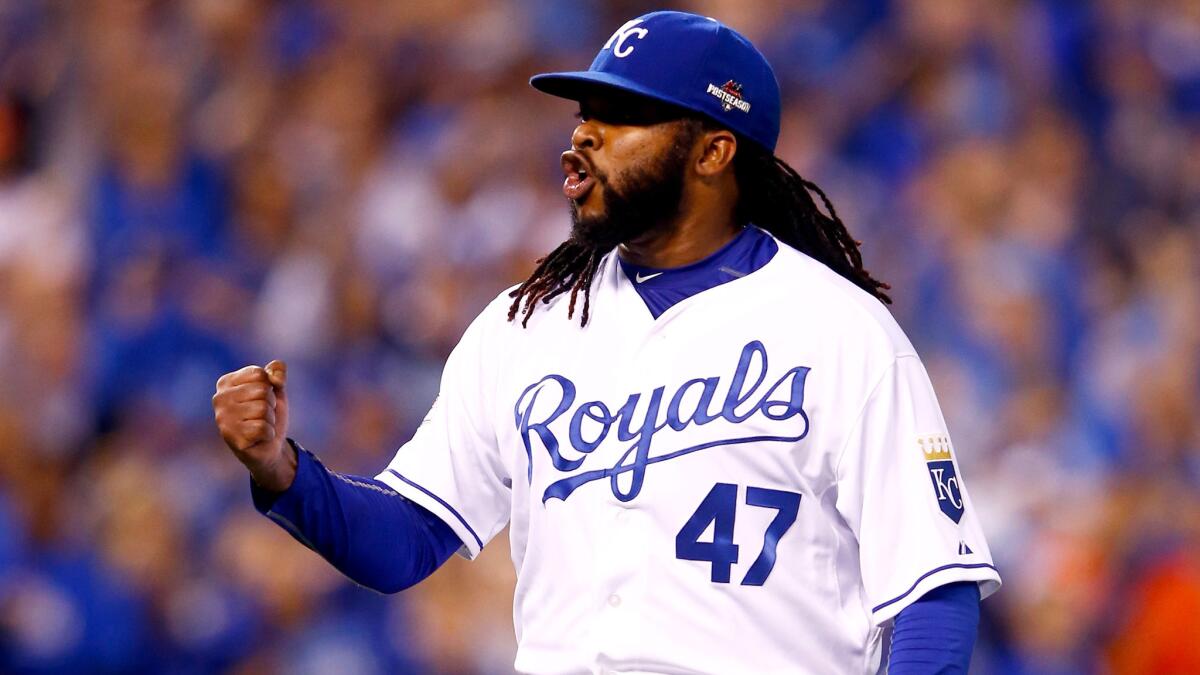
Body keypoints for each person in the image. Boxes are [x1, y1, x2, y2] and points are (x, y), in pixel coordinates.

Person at [212, 11, 1000, 674]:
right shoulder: (527, 324)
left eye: (621, 116)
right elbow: (404, 538)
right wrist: (282, 469)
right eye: (583, 113)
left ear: (713, 149)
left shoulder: (841, 332)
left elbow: (933, 592)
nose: (582, 137)